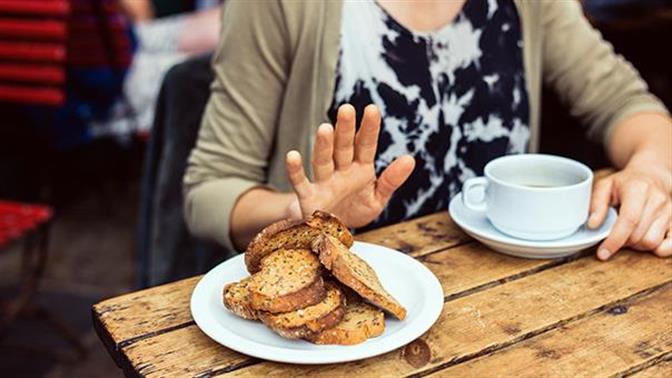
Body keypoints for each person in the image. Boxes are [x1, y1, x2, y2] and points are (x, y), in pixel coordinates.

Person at [183, 0, 672, 261]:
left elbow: (626, 103)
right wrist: (298, 214)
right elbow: (209, 189)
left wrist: (650, 171)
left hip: (505, 297)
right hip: (343, 319)